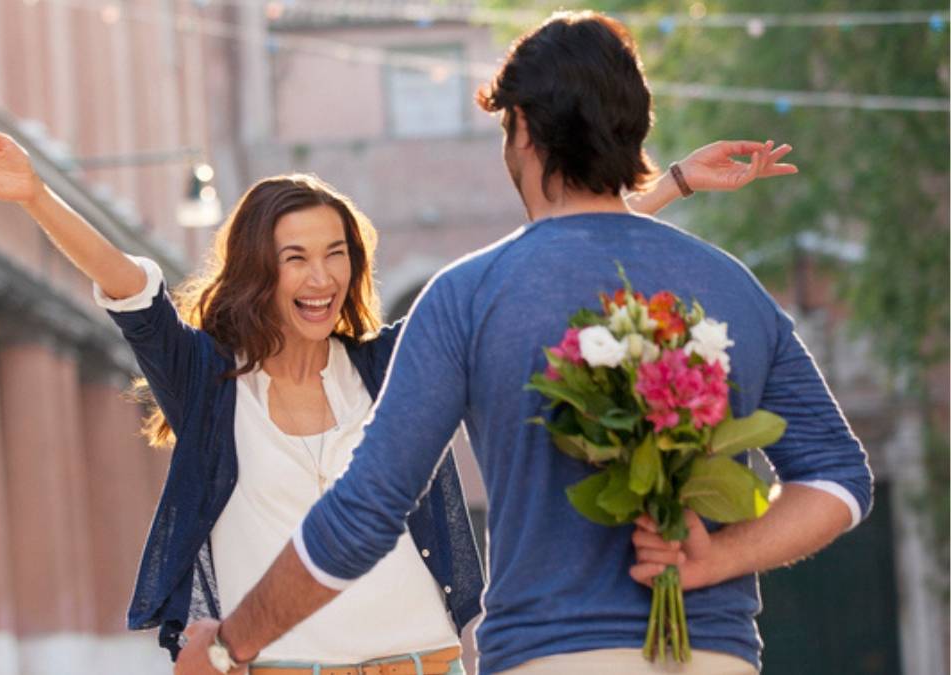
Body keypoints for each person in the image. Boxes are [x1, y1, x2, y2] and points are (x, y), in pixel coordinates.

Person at [0, 112, 795, 672]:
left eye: (336, 253)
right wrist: (33, 194)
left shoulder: (390, 366)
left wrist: (669, 184)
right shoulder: (208, 383)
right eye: (295, 256)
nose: (321, 276)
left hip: (423, 663)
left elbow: (522, 268)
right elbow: (128, 287)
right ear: (259, 271)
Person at [172, 10, 872, 675]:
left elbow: (364, 513)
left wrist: (232, 643)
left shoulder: (470, 295)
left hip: (547, 655)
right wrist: (712, 559)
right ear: (634, 134)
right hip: (716, 655)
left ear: (525, 132)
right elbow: (839, 478)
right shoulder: (728, 288)